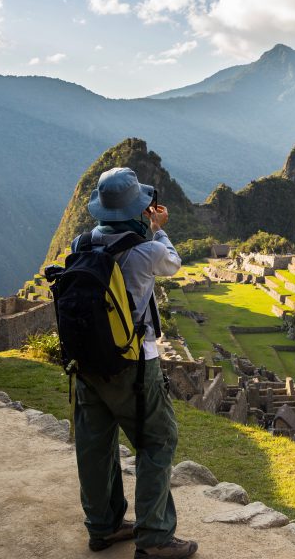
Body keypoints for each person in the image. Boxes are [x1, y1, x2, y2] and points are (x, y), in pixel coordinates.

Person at [72, 167, 197, 558]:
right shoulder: (149, 250)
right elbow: (173, 262)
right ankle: (155, 537)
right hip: (134, 364)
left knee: (95, 444)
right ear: (139, 208)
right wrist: (158, 227)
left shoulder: (81, 244)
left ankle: (103, 526)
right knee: (158, 440)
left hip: (86, 361)